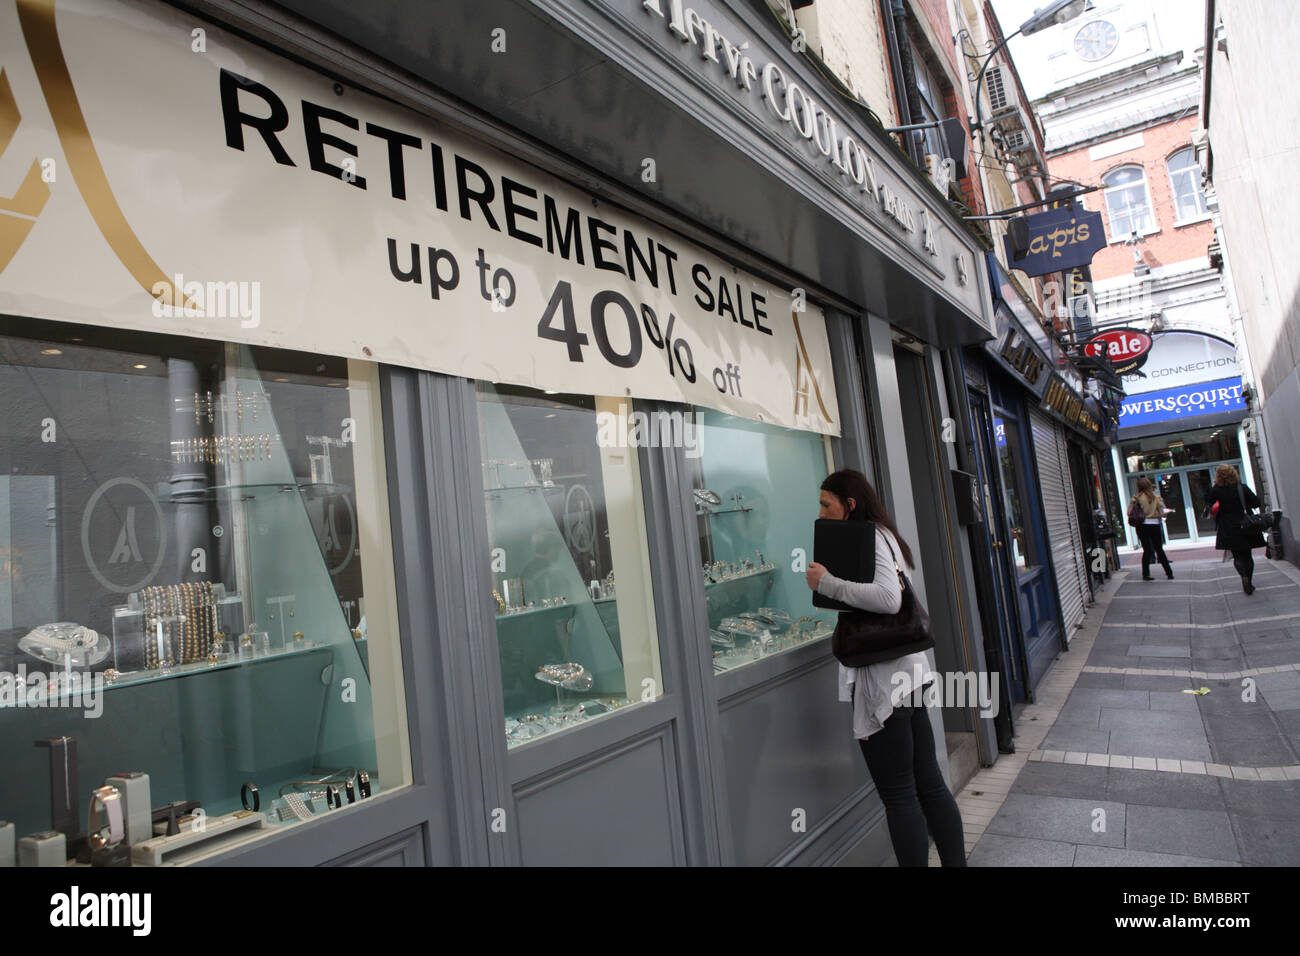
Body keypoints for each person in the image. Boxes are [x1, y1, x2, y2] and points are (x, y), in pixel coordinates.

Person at [804, 469, 966, 867]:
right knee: (928, 784)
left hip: (884, 682)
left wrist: (826, 583)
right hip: (906, 676)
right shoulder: (884, 535)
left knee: (900, 794)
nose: (821, 511)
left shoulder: (870, 536)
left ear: (850, 504)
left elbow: (888, 599)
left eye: (827, 504)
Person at [1207, 464, 1267, 594]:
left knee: (1237, 556)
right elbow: (1257, 502)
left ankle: (1243, 576)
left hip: (1227, 526)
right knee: (1247, 555)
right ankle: (1249, 582)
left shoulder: (1216, 490)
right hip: (1245, 524)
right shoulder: (1241, 488)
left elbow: (1209, 506)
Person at [1130, 477, 1173, 581]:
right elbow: (1164, 514)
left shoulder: (1135, 498)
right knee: (1159, 549)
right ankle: (1169, 573)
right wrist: (1156, 514)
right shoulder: (1156, 498)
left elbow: (1129, 512)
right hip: (1154, 524)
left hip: (1141, 525)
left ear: (1139, 487)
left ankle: (1146, 574)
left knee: (1147, 550)